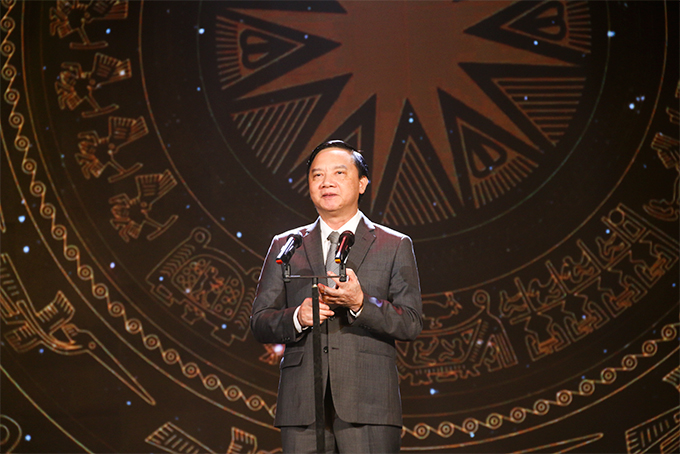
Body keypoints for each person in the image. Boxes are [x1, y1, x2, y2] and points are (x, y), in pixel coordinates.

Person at [250, 140, 423, 453]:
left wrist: (360, 303)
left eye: (339, 173)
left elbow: (410, 323)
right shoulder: (286, 245)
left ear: (362, 183)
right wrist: (296, 317)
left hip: (368, 404)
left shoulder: (394, 245)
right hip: (302, 406)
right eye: (317, 176)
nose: (326, 182)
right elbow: (260, 322)